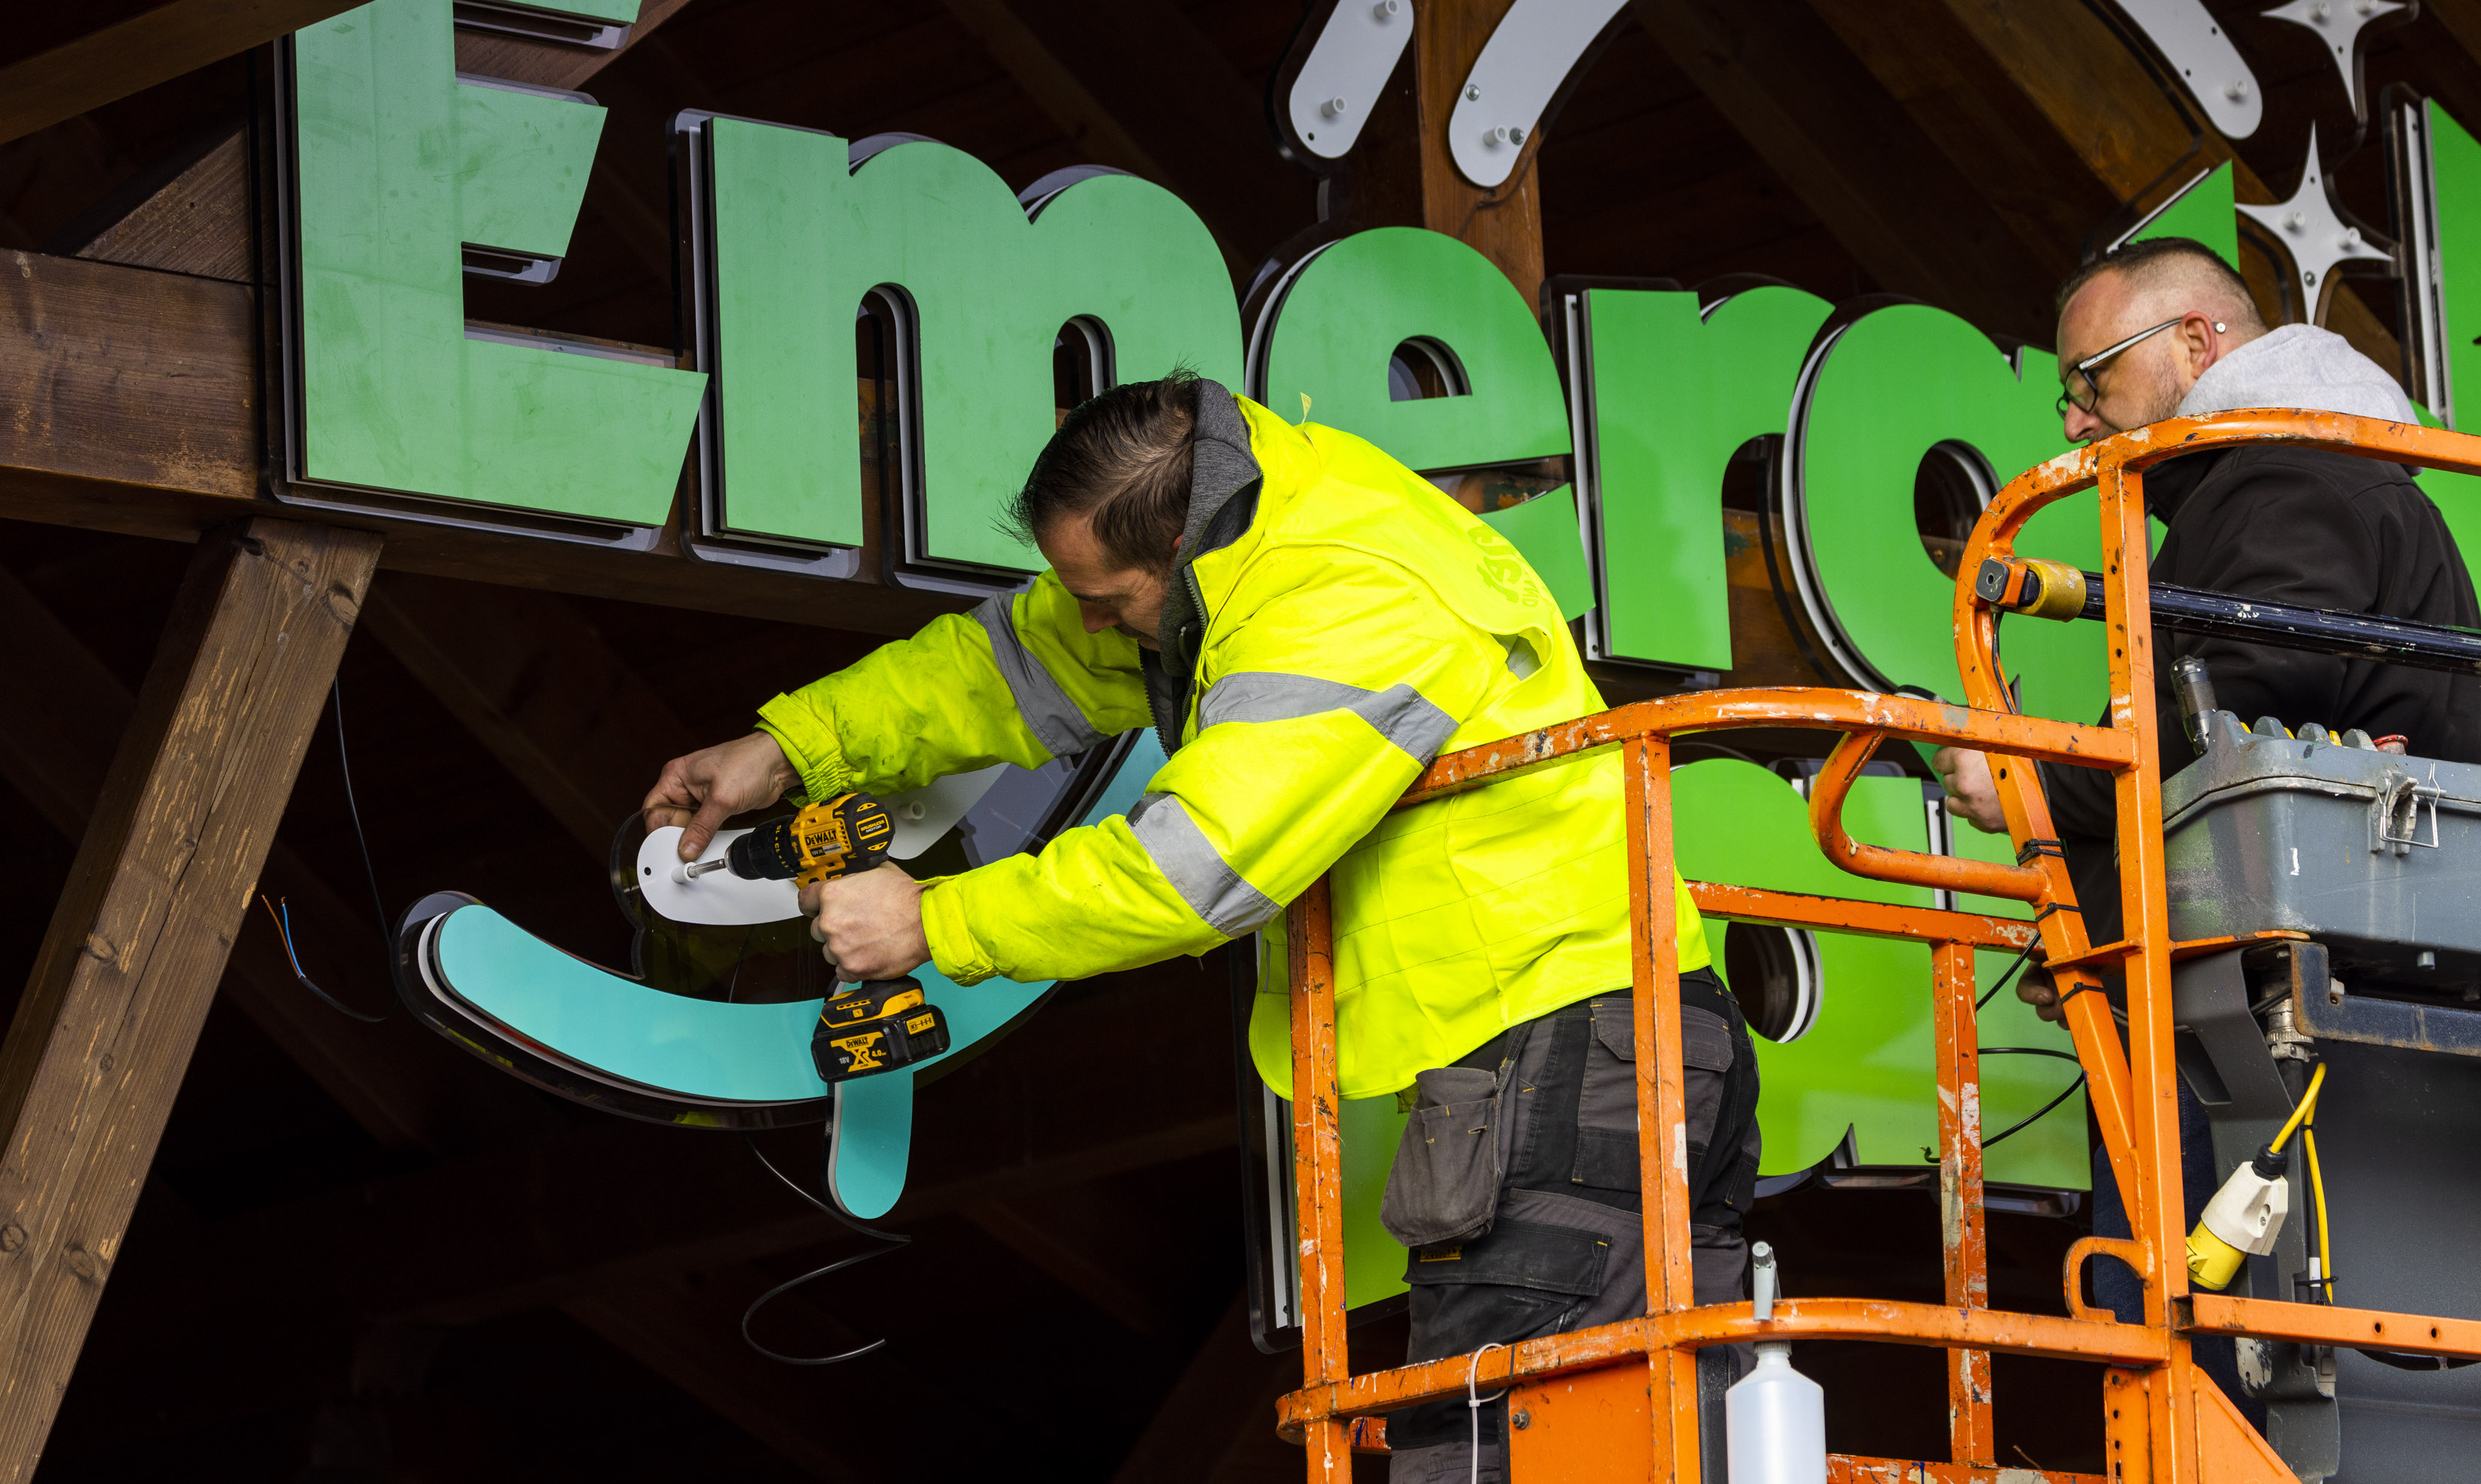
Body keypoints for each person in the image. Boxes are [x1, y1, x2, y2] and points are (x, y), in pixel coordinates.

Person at [643, 371, 1759, 1482]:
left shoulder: (1339, 593)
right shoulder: (1242, 544)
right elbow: (1004, 664)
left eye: (1104, 597)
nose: (1084, 618)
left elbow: (1190, 870)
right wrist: (788, 746)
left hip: (1577, 1058)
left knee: (1509, 1460)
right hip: (1573, 1053)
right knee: (1593, 1444)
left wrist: (932, 919)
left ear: (1175, 539)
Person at [1936, 237, 2481, 1415]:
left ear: (2197, 341)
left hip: (2255, 1027)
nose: (2081, 418)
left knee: (2199, 1371)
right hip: (2285, 995)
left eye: (2096, 376)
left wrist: (2025, 784)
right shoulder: (2301, 475)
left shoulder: (2283, 477)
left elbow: (2236, 725)